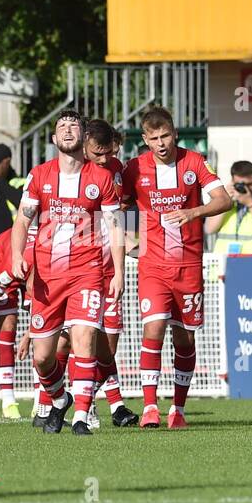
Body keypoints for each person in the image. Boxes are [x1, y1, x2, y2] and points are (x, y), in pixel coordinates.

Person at [11, 108, 123, 436]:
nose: (67, 129)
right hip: (48, 278)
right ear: (54, 137)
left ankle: (82, 417)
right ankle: (60, 399)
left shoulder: (100, 178)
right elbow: (22, 219)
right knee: (43, 357)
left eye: (74, 125)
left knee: (85, 337)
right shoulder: (40, 175)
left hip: (87, 273)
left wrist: (118, 272)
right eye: (61, 125)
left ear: (83, 135)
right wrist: (18, 254)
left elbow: (116, 225)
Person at [123, 106, 231, 428]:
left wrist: (193, 212)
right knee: (153, 327)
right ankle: (149, 407)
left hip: (188, 266)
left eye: (165, 136)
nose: (161, 143)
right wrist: (127, 241)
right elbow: (116, 203)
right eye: (153, 138)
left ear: (175, 134)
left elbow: (224, 200)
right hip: (153, 265)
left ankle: (178, 410)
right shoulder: (135, 168)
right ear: (145, 139)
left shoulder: (194, 162)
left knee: (184, 339)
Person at [83, 119, 138, 427]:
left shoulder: (116, 168)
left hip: (110, 266)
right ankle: (81, 402)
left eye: (108, 152)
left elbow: (125, 210)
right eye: (97, 153)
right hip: (82, 267)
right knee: (80, 339)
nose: (103, 159)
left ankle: (107, 404)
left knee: (109, 342)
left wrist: (134, 242)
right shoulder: (72, 173)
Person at [0, 226, 34, 418]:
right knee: (8, 323)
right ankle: (8, 401)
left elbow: (44, 319)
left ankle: (42, 401)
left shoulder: (50, 266)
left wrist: (29, 336)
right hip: (0, 255)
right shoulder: (9, 266)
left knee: (45, 328)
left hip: (34, 266)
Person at [206, 160, 252, 254]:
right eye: (240, 184)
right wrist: (225, 202)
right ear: (232, 181)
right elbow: (209, 229)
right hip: (225, 260)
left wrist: (251, 204)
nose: (246, 189)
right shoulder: (222, 200)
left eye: (249, 184)